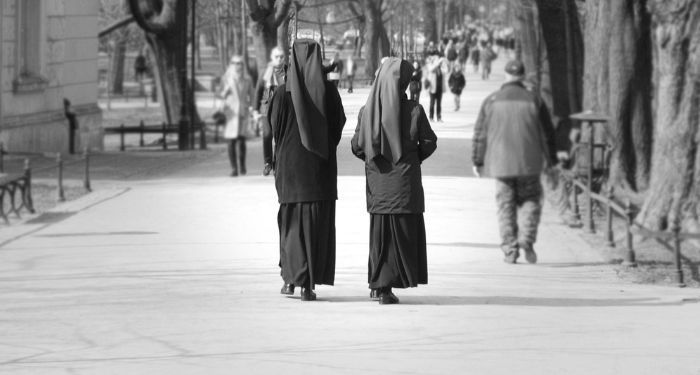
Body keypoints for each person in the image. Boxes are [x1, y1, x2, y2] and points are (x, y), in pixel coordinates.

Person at [351, 57, 437, 305]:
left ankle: (378, 284)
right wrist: (413, 159)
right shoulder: (414, 110)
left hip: (378, 187)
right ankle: (387, 288)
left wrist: (375, 162)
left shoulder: (367, 112)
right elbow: (429, 142)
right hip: (404, 186)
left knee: (380, 236)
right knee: (401, 235)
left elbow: (357, 147)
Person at [268, 39, 346, 301]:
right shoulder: (329, 93)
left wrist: (279, 155)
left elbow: (274, 130)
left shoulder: (281, 94)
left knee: (291, 227)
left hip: (291, 173)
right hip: (319, 173)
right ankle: (307, 285)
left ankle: (291, 279)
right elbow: (337, 127)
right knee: (315, 227)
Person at [471, 60, 558, 264]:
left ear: (506, 76)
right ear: (523, 76)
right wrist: (552, 160)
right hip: (529, 162)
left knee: (505, 206)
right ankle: (526, 240)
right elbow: (547, 134)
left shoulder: (491, 101)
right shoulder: (534, 100)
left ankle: (510, 249)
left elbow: (480, 134)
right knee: (531, 201)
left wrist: (477, 159)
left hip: (501, 164)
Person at [219, 55, 254, 176]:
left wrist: (253, 109)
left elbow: (252, 95)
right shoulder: (226, 78)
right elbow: (220, 95)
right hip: (230, 113)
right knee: (231, 141)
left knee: (241, 140)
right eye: (235, 63)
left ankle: (242, 166)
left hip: (243, 112)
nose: (237, 65)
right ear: (231, 64)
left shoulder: (247, 79)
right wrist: (226, 90)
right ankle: (233, 168)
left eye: (239, 63)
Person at [254, 47, 286, 176]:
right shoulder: (266, 72)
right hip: (266, 108)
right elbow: (258, 91)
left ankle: (277, 163)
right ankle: (268, 163)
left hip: (281, 109)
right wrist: (255, 110)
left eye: (281, 57)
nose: (279, 59)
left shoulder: (288, 71)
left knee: (279, 137)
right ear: (272, 58)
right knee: (267, 135)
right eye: (277, 56)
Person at [425, 55, 445, 122]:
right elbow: (431, 69)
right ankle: (431, 117)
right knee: (432, 103)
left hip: (439, 88)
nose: (438, 61)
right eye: (437, 60)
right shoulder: (431, 66)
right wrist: (438, 63)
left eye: (438, 59)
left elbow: (447, 70)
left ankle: (439, 117)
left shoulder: (440, 68)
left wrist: (443, 63)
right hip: (433, 88)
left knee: (439, 104)